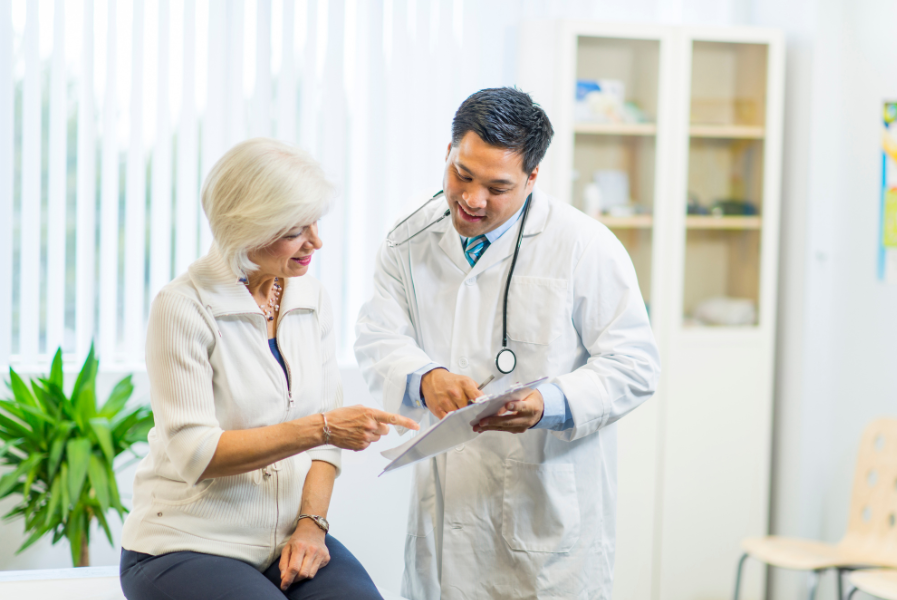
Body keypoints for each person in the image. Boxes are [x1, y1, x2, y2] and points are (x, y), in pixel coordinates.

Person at [354, 88, 660, 599]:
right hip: (445, 521)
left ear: (532, 177)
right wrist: (425, 377)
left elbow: (634, 364)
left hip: (546, 523)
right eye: (462, 175)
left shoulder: (584, 245)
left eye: (497, 187)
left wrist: (549, 403)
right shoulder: (408, 241)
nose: (472, 200)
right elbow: (377, 334)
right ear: (448, 152)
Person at [120, 138, 419, 600]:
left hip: (286, 538)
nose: (315, 241)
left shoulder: (310, 298)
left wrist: (311, 526)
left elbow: (327, 446)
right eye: (295, 229)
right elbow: (196, 453)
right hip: (186, 543)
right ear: (247, 228)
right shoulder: (183, 307)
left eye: (315, 222)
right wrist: (321, 428)